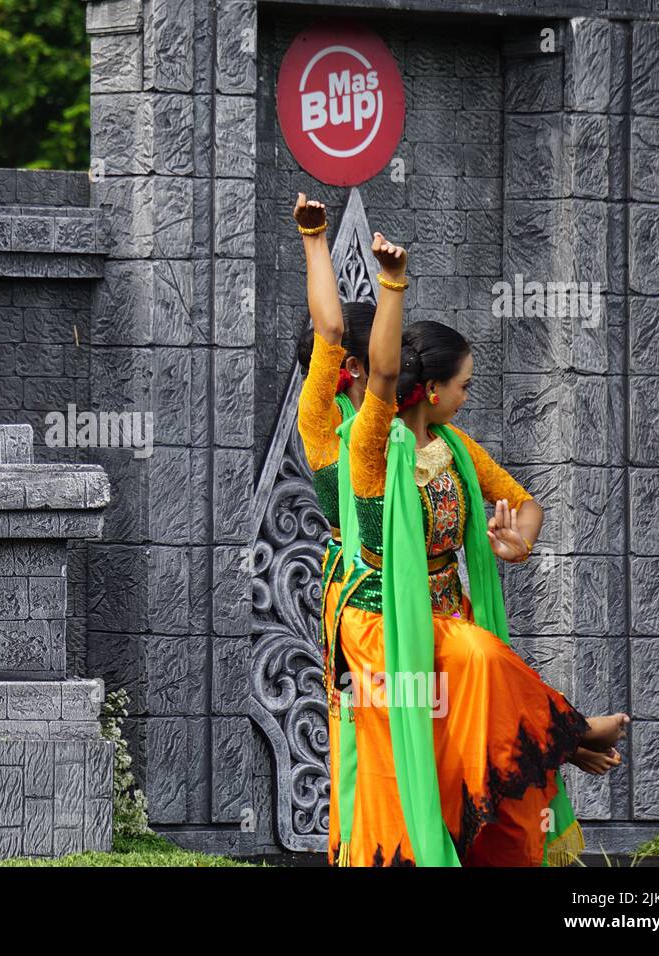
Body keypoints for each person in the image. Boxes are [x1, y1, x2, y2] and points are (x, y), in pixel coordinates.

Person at [330, 231, 628, 866]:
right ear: (432, 388)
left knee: (480, 736)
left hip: (445, 616)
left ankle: (555, 748)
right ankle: (568, 736)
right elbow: (381, 372)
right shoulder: (370, 450)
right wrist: (393, 284)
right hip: (385, 628)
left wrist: (521, 538)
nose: (469, 397)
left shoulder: (458, 452)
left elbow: (525, 501)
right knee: (475, 660)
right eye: (464, 385)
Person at [288, 193, 376, 865]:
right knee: (366, 739)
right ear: (349, 373)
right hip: (364, 610)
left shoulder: (410, 436)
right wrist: (317, 242)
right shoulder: (326, 428)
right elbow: (330, 332)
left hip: (436, 602)